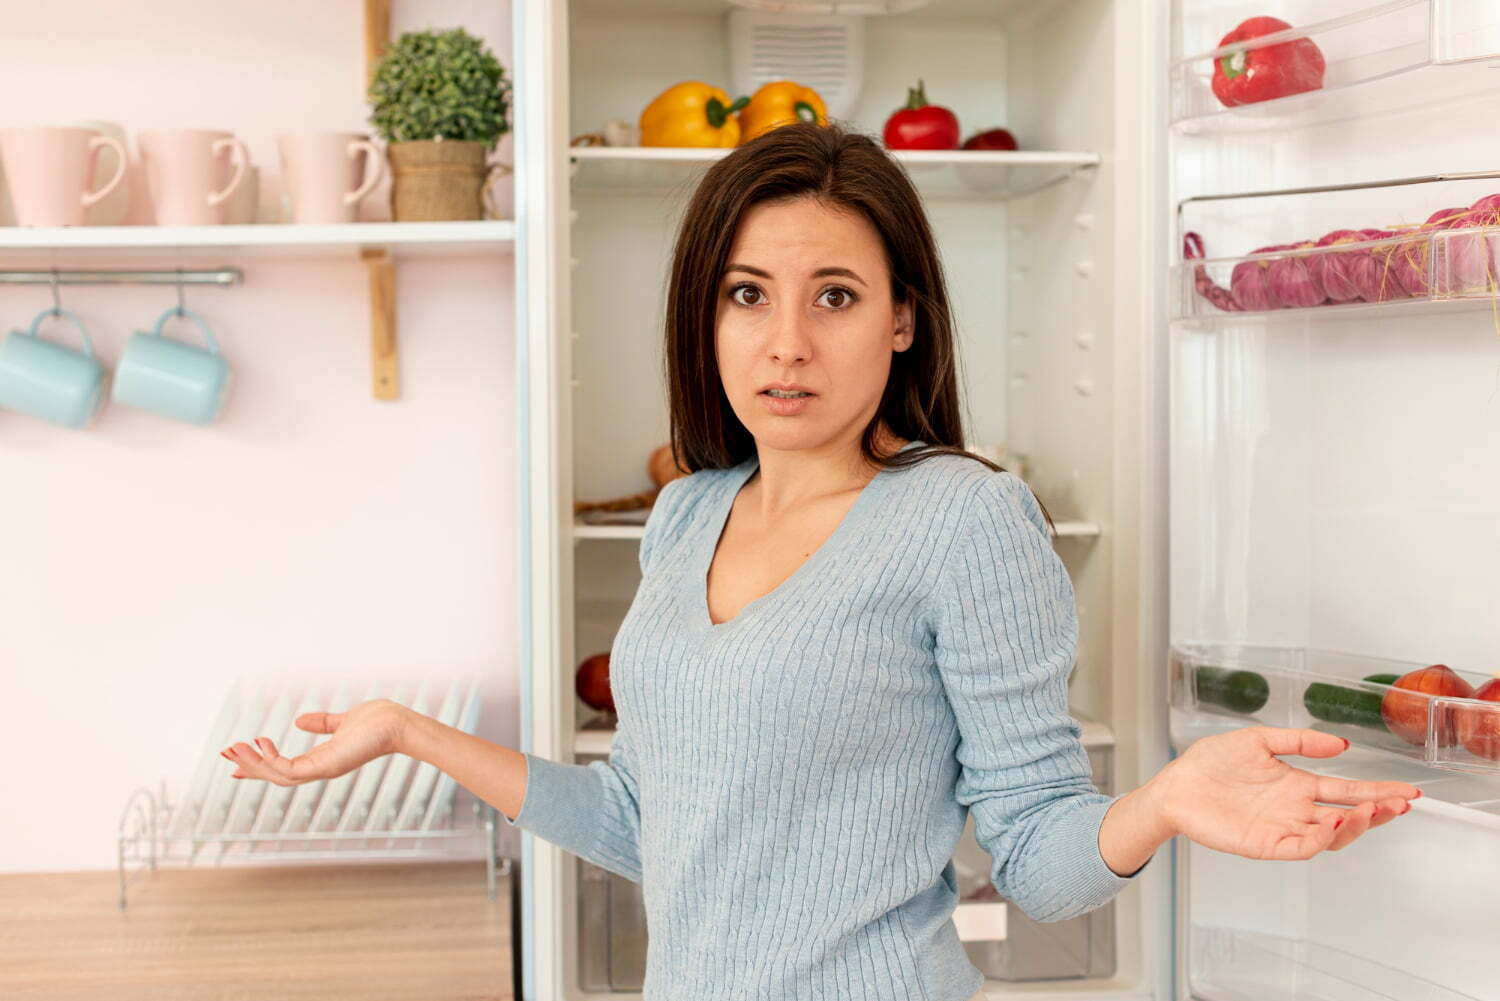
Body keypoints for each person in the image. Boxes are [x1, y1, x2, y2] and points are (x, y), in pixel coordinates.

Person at [220, 121, 1421, 1001]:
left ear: (902, 318)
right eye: (749, 295)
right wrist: (408, 731)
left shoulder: (965, 517)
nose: (786, 343)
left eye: (835, 297)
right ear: (709, 313)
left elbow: (1040, 857)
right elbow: (646, 822)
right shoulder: (687, 513)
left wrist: (1157, 802)